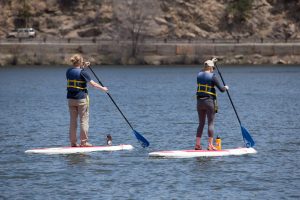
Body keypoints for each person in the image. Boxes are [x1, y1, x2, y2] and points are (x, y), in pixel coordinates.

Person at [66, 54, 108, 147]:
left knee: (73, 122)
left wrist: (83, 66)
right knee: (83, 121)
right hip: (81, 100)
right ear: (80, 61)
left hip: (71, 100)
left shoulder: (68, 71)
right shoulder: (83, 72)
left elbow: (77, 71)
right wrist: (103, 88)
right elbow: (93, 84)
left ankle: (73, 143)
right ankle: (84, 142)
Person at [195, 59, 228, 150]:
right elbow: (221, 90)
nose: (213, 69)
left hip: (199, 102)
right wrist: (226, 87)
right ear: (210, 67)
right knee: (210, 124)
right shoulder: (213, 77)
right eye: (212, 67)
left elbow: (203, 72)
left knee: (201, 123)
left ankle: (197, 145)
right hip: (209, 102)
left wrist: (211, 61)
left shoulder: (199, 75)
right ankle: (210, 145)